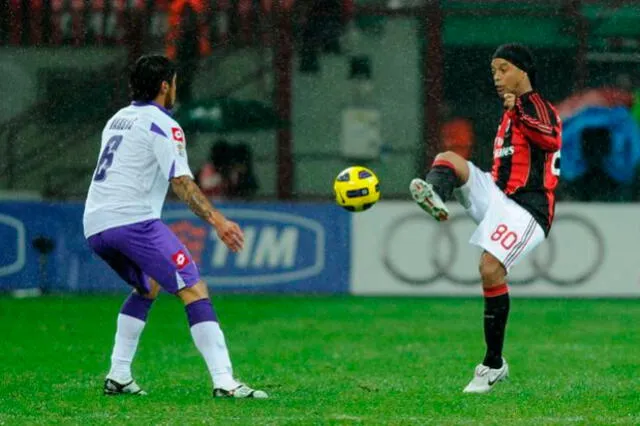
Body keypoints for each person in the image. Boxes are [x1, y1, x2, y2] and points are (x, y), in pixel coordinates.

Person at [82, 55, 267, 399]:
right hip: (133, 222)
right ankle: (225, 381)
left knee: (147, 286)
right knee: (194, 289)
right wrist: (219, 221)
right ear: (165, 86)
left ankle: (119, 374)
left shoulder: (117, 119)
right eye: (175, 83)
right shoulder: (163, 124)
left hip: (95, 224)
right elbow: (181, 183)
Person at [409, 44, 562, 394]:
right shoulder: (512, 110)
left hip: (528, 208)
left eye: (504, 68)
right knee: (448, 158)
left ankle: (493, 365)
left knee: (490, 268)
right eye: (494, 70)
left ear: (523, 70)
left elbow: (551, 139)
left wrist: (519, 113)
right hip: (498, 195)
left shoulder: (534, 105)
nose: (497, 76)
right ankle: (436, 193)